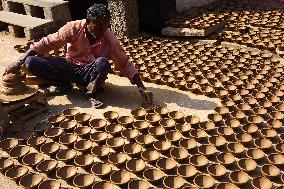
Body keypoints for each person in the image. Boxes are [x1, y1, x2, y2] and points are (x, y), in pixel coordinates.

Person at [3, 4, 153, 108]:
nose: (102, 31)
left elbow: (125, 63)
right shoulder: (73, 28)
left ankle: (91, 93)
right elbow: (46, 43)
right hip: (70, 66)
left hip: (89, 74)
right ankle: (63, 84)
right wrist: (20, 61)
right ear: (88, 22)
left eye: (106, 27)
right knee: (31, 62)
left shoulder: (108, 38)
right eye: (99, 27)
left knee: (102, 63)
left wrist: (142, 87)